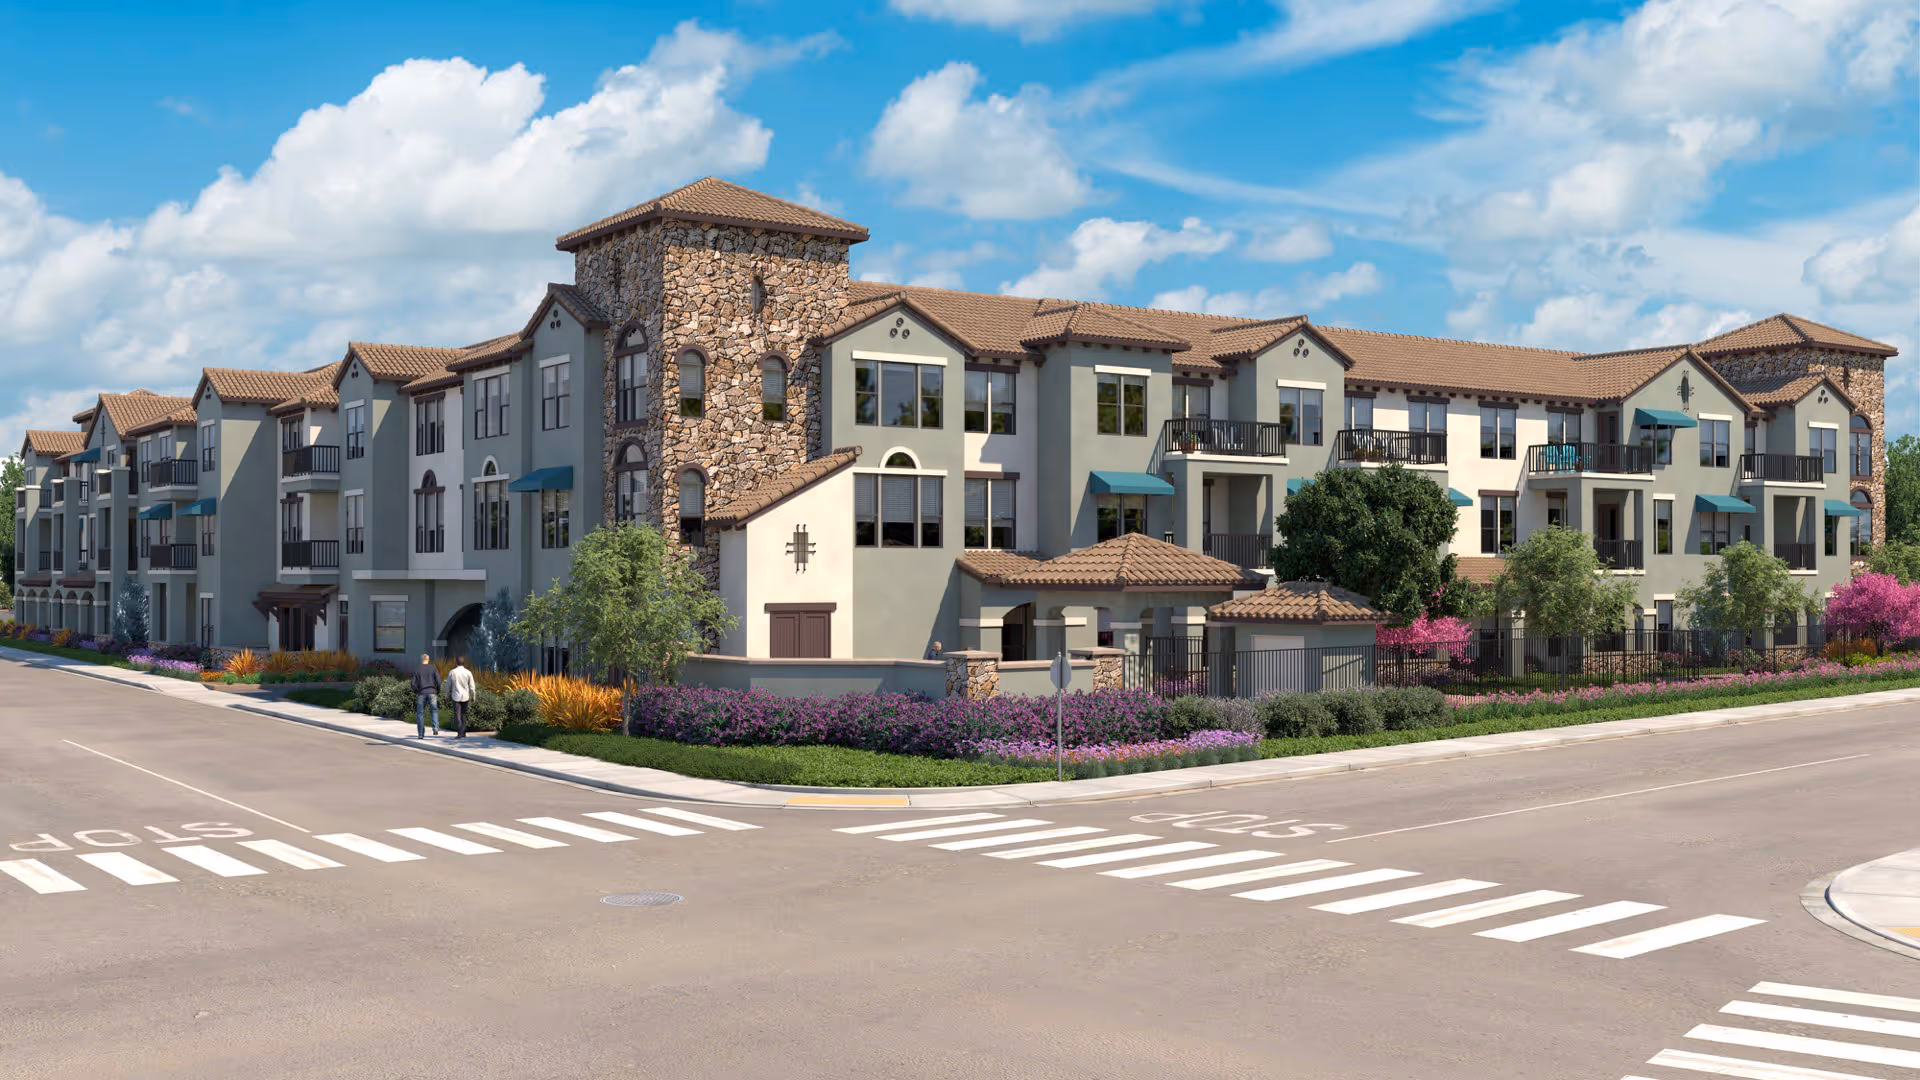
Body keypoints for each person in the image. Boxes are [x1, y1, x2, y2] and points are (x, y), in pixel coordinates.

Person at [410, 653, 441, 738]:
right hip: (432, 692)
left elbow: (412, 683)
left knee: (420, 713)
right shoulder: (433, 668)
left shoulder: (417, 669)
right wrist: (437, 690)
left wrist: (417, 690)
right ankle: (435, 728)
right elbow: (438, 681)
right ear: (428, 659)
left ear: (421, 660)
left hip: (421, 693)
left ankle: (421, 734)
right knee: (434, 711)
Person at [445, 656, 476, 738]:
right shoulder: (468, 672)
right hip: (466, 696)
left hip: (456, 696)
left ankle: (460, 732)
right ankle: (463, 732)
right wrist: (473, 696)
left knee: (457, 714)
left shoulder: (452, 672)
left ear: (456, 662)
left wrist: (446, 696)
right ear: (463, 663)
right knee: (464, 714)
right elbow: (472, 687)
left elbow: (448, 686)